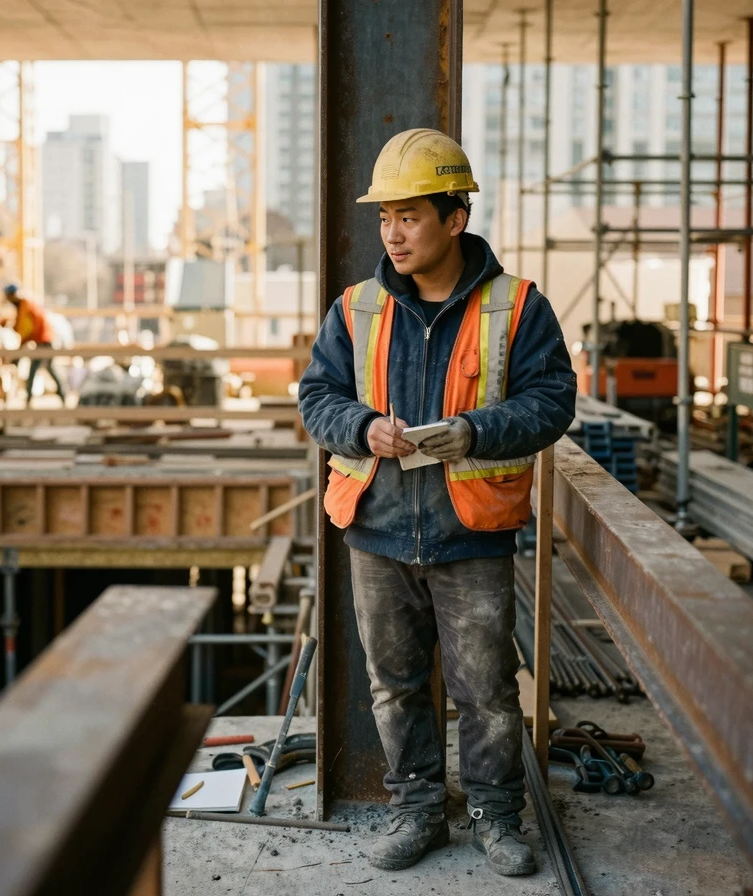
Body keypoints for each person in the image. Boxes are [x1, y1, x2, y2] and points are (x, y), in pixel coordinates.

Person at [299, 129, 576, 877]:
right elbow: (316, 397)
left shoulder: (516, 307)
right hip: (378, 532)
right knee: (393, 686)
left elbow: (553, 402)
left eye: (410, 216)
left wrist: (474, 431)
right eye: (385, 217)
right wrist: (361, 426)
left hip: (471, 532)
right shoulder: (356, 309)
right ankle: (418, 810)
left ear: (455, 220)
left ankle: (494, 814)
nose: (393, 233)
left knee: (486, 689)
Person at [3, 283, 67, 403]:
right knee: (49, 368)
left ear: (12, 295)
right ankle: (63, 395)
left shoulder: (25, 307)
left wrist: (18, 351)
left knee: (34, 370)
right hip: (45, 341)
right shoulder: (25, 306)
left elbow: (26, 329)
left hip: (44, 342)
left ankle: (29, 400)